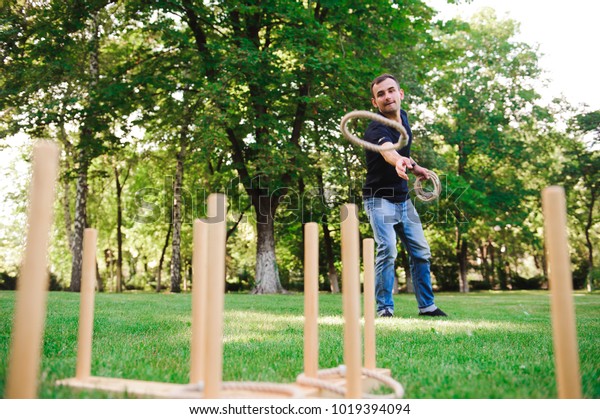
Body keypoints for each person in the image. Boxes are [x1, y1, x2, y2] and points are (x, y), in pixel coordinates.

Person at [362, 74, 447, 318]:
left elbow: (403, 151)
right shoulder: (375, 127)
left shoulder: (404, 118)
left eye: (391, 91)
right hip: (378, 199)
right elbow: (388, 151)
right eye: (381, 94)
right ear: (374, 102)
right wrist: (398, 161)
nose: (387, 96)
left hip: (403, 198)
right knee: (388, 249)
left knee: (421, 252)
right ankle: (385, 308)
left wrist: (415, 167)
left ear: (401, 94)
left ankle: (427, 306)